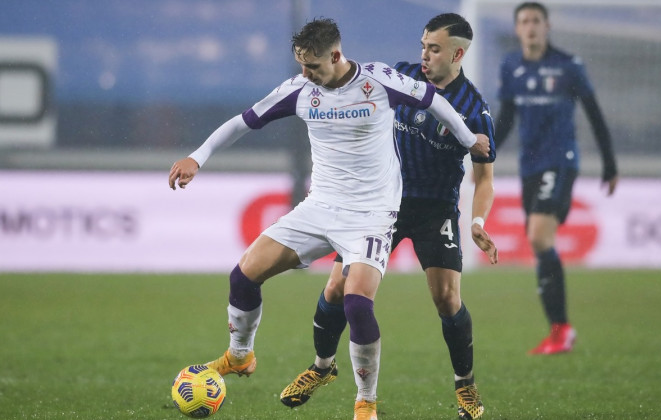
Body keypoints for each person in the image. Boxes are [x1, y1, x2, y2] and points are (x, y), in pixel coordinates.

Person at [168, 18, 491, 420]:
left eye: (313, 66)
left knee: (358, 301)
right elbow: (243, 121)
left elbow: (433, 100)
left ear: (336, 55)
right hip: (319, 207)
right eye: (301, 65)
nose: (306, 74)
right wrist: (197, 157)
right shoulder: (300, 91)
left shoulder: (378, 81)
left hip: (373, 214)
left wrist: (466, 139)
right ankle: (239, 356)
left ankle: (365, 403)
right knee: (243, 275)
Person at [279, 14, 497, 420]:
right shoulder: (400, 77)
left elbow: (484, 179)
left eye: (434, 48)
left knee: (447, 299)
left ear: (458, 53)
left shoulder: (474, 108)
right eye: (423, 45)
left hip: (435, 208)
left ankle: (465, 384)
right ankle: (322, 368)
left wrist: (478, 222)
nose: (425, 54)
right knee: (336, 289)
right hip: (381, 203)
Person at [494, 2, 618, 355]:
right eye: (524, 22)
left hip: (561, 161)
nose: (530, 27)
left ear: (547, 26)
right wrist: (483, 157)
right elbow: (506, 117)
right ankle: (558, 329)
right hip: (529, 167)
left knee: (538, 234)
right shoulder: (511, 66)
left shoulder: (568, 66)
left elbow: (594, 114)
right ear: (517, 29)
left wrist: (609, 163)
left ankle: (562, 329)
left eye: (536, 21)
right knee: (539, 243)